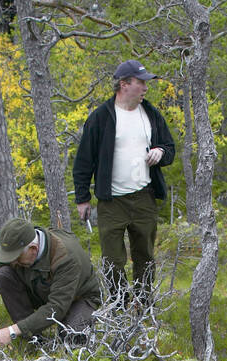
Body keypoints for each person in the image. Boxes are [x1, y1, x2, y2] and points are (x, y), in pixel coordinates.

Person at [72, 59, 176, 303]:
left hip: (144, 198)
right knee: (113, 261)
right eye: (141, 82)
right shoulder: (100, 118)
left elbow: (170, 148)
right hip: (111, 203)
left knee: (145, 256)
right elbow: (83, 161)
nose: (145, 88)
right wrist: (82, 198)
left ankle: (143, 305)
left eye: (146, 83)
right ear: (124, 84)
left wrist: (160, 152)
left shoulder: (150, 114)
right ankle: (120, 307)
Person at [0, 218, 101, 348]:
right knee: (3, 273)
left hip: (78, 298)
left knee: (71, 339)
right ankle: (32, 338)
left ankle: (25, 329)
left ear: (33, 249)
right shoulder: (14, 246)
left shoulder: (66, 257)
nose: (12, 262)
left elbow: (56, 307)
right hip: (43, 291)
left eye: (16, 258)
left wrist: (11, 331)